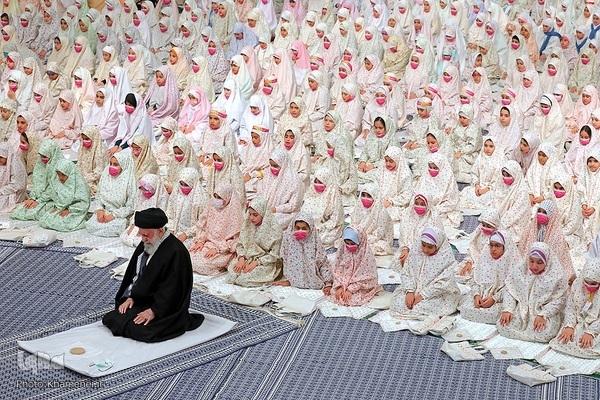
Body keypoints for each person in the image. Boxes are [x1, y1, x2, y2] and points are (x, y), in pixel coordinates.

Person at [102, 207, 205, 343]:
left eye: (147, 235)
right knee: (111, 319)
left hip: (167, 307)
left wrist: (154, 311)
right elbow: (136, 274)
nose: (143, 239)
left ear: (160, 231)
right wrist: (131, 297)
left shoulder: (176, 252)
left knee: (141, 331)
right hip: (144, 300)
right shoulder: (147, 243)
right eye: (141, 235)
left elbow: (173, 289)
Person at [498, 242, 569, 343]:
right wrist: (508, 309)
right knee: (505, 323)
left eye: (540, 262)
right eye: (531, 261)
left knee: (544, 331)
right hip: (522, 310)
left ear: (547, 261)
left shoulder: (557, 276)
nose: (534, 266)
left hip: (542, 312)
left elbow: (559, 300)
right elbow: (510, 290)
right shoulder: (520, 270)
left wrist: (543, 314)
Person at [390, 227, 460, 319]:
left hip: (435, 293)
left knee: (424, 307)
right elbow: (406, 272)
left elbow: (443, 282)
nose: (425, 250)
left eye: (430, 247)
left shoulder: (446, 258)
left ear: (438, 245)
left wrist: (423, 295)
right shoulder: (416, 251)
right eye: (423, 245)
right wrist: (409, 291)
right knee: (399, 304)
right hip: (413, 289)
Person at [458, 231, 522, 324]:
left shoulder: (513, 262)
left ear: (506, 246)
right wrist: (477, 295)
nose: (493, 249)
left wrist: (494, 298)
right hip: (483, 296)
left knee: (498, 314)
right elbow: (476, 280)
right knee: (465, 308)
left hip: (500, 299)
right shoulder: (485, 257)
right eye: (491, 245)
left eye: (497, 246)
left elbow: (512, 288)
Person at [190, 182, 244, 276]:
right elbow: (201, 226)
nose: (216, 200)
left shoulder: (234, 212)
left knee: (202, 264)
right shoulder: (211, 206)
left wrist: (218, 249)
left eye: (220, 197)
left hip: (224, 250)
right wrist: (200, 241)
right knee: (188, 257)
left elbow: (236, 239)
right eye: (215, 196)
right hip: (208, 244)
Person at [227, 197, 282, 287]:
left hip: (265, 263)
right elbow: (240, 244)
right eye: (250, 214)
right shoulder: (247, 224)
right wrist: (241, 259)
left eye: (255, 215)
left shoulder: (275, 230)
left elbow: (274, 255)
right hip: (247, 258)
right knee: (231, 277)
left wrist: (256, 263)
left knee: (243, 280)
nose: (251, 218)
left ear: (263, 213)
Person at [551, 258, 600, 358]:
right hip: (578, 322)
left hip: (596, 326)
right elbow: (570, 307)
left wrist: (591, 332)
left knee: (589, 345)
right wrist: (570, 326)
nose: (589, 286)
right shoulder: (578, 285)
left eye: (594, 283)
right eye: (586, 282)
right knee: (565, 340)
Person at [324, 226, 382, 307]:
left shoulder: (366, 255)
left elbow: (366, 277)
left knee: (352, 298)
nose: (349, 246)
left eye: (353, 244)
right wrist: (340, 286)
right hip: (343, 283)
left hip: (360, 287)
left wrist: (351, 289)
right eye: (347, 243)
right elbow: (337, 271)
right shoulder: (343, 251)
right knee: (336, 295)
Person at [276, 212, 332, 289]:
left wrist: (328, 283)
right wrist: (288, 280)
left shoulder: (315, 241)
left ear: (310, 228)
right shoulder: (288, 238)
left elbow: (323, 262)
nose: (300, 231)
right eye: (297, 228)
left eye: (304, 228)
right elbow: (285, 260)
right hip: (293, 281)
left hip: (313, 282)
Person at [39, 158, 91, 232]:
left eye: (63, 175)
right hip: (61, 209)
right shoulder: (59, 182)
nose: (60, 178)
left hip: (76, 211)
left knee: (63, 223)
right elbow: (55, 196)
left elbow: (84, 203)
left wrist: (70, 210)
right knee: (46, 219)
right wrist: (58, 207)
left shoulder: (80, 185)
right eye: (58, 174)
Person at [0, 142, 26, 214]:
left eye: (1, 157)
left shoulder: (16, 165)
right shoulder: (2, 164)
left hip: (13, 193)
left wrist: (1, 191)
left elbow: (18, 186)